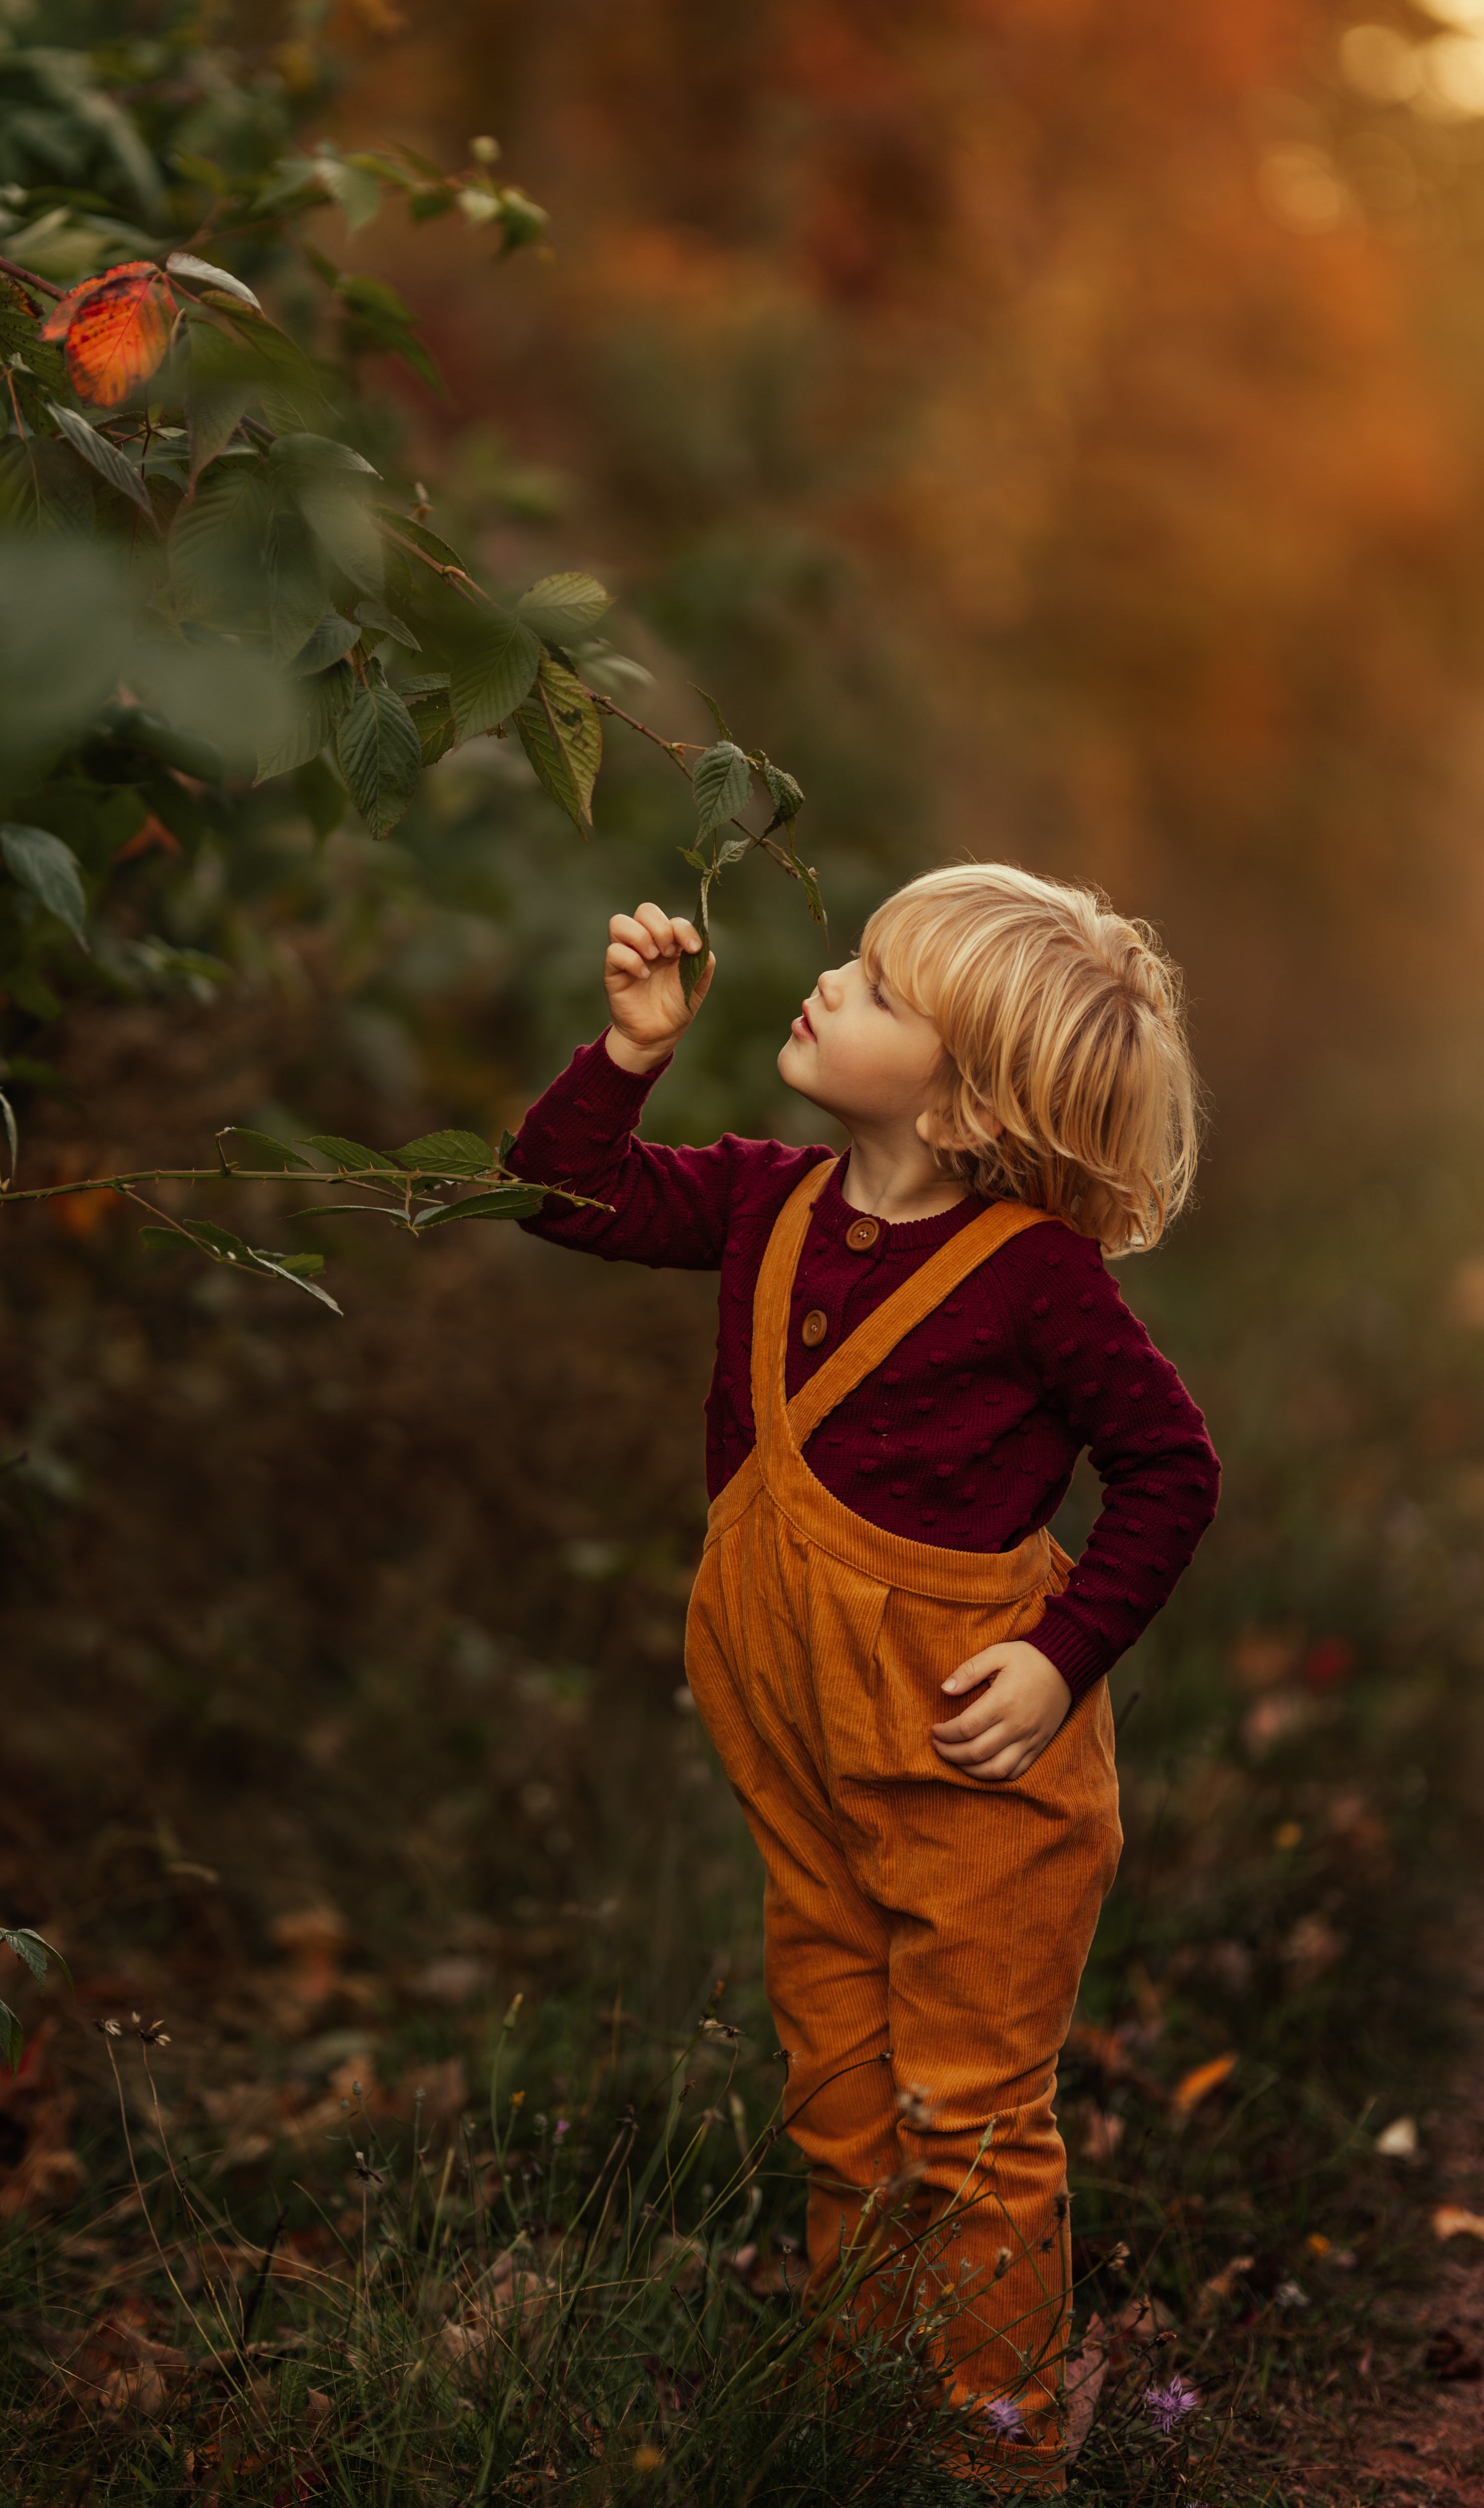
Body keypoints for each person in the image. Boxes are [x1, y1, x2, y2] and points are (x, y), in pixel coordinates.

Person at [505, 863, 1220, 2481]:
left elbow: (1172, 1470)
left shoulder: (1036, 1278)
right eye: (863, 960)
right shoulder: (770, 1199)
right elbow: (560, 1195)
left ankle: (986, 2452)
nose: (835, 982)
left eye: (885, 990)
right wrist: (626, 1056)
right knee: (839, 2094)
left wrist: (1059, 1656)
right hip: (810, 1760)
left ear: (967, 1100)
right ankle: (862, 2409)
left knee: (965, 2118)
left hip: (982, 1788)